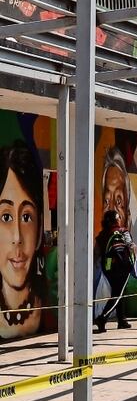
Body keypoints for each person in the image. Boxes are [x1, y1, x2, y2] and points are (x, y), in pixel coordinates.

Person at [0, 142, 44, 340]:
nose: (17, 237)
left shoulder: (54, 312)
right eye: (6, 217)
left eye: (26, 217)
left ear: (39, 230)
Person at [94, 209, 136, 333]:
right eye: (118, 218)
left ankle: (122, 320)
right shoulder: (123, 231)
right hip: (122, 266)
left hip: (108, 268)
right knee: (118, 294)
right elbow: (131, 246)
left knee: (118, 292)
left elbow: (97, 253)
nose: (120, 219)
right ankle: (102, 318)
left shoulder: (102, 235)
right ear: (116, 220)